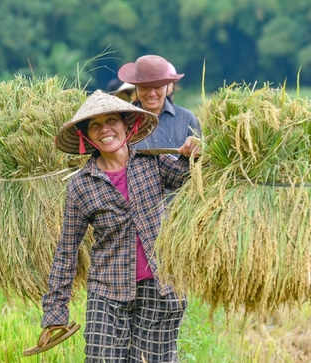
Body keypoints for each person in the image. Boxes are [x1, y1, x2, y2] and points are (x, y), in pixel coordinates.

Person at [42, 90, 200, 362]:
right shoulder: (82, 185)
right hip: (108, 291)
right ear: (86, 137)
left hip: (160, 288)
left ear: (127, 125)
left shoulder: (152, 162)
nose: (105, 129)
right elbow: (66, 250)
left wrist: (193, 154)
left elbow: (188, 179)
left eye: (112, 120)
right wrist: (55, 311)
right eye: (95, 125)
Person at [118, 54, 201, 150]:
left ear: (167, 87)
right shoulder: (124, 119)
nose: (152, 93)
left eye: (158, 87)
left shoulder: (187, 118)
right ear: (135, 88)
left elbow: (201, 156)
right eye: (144, 87)